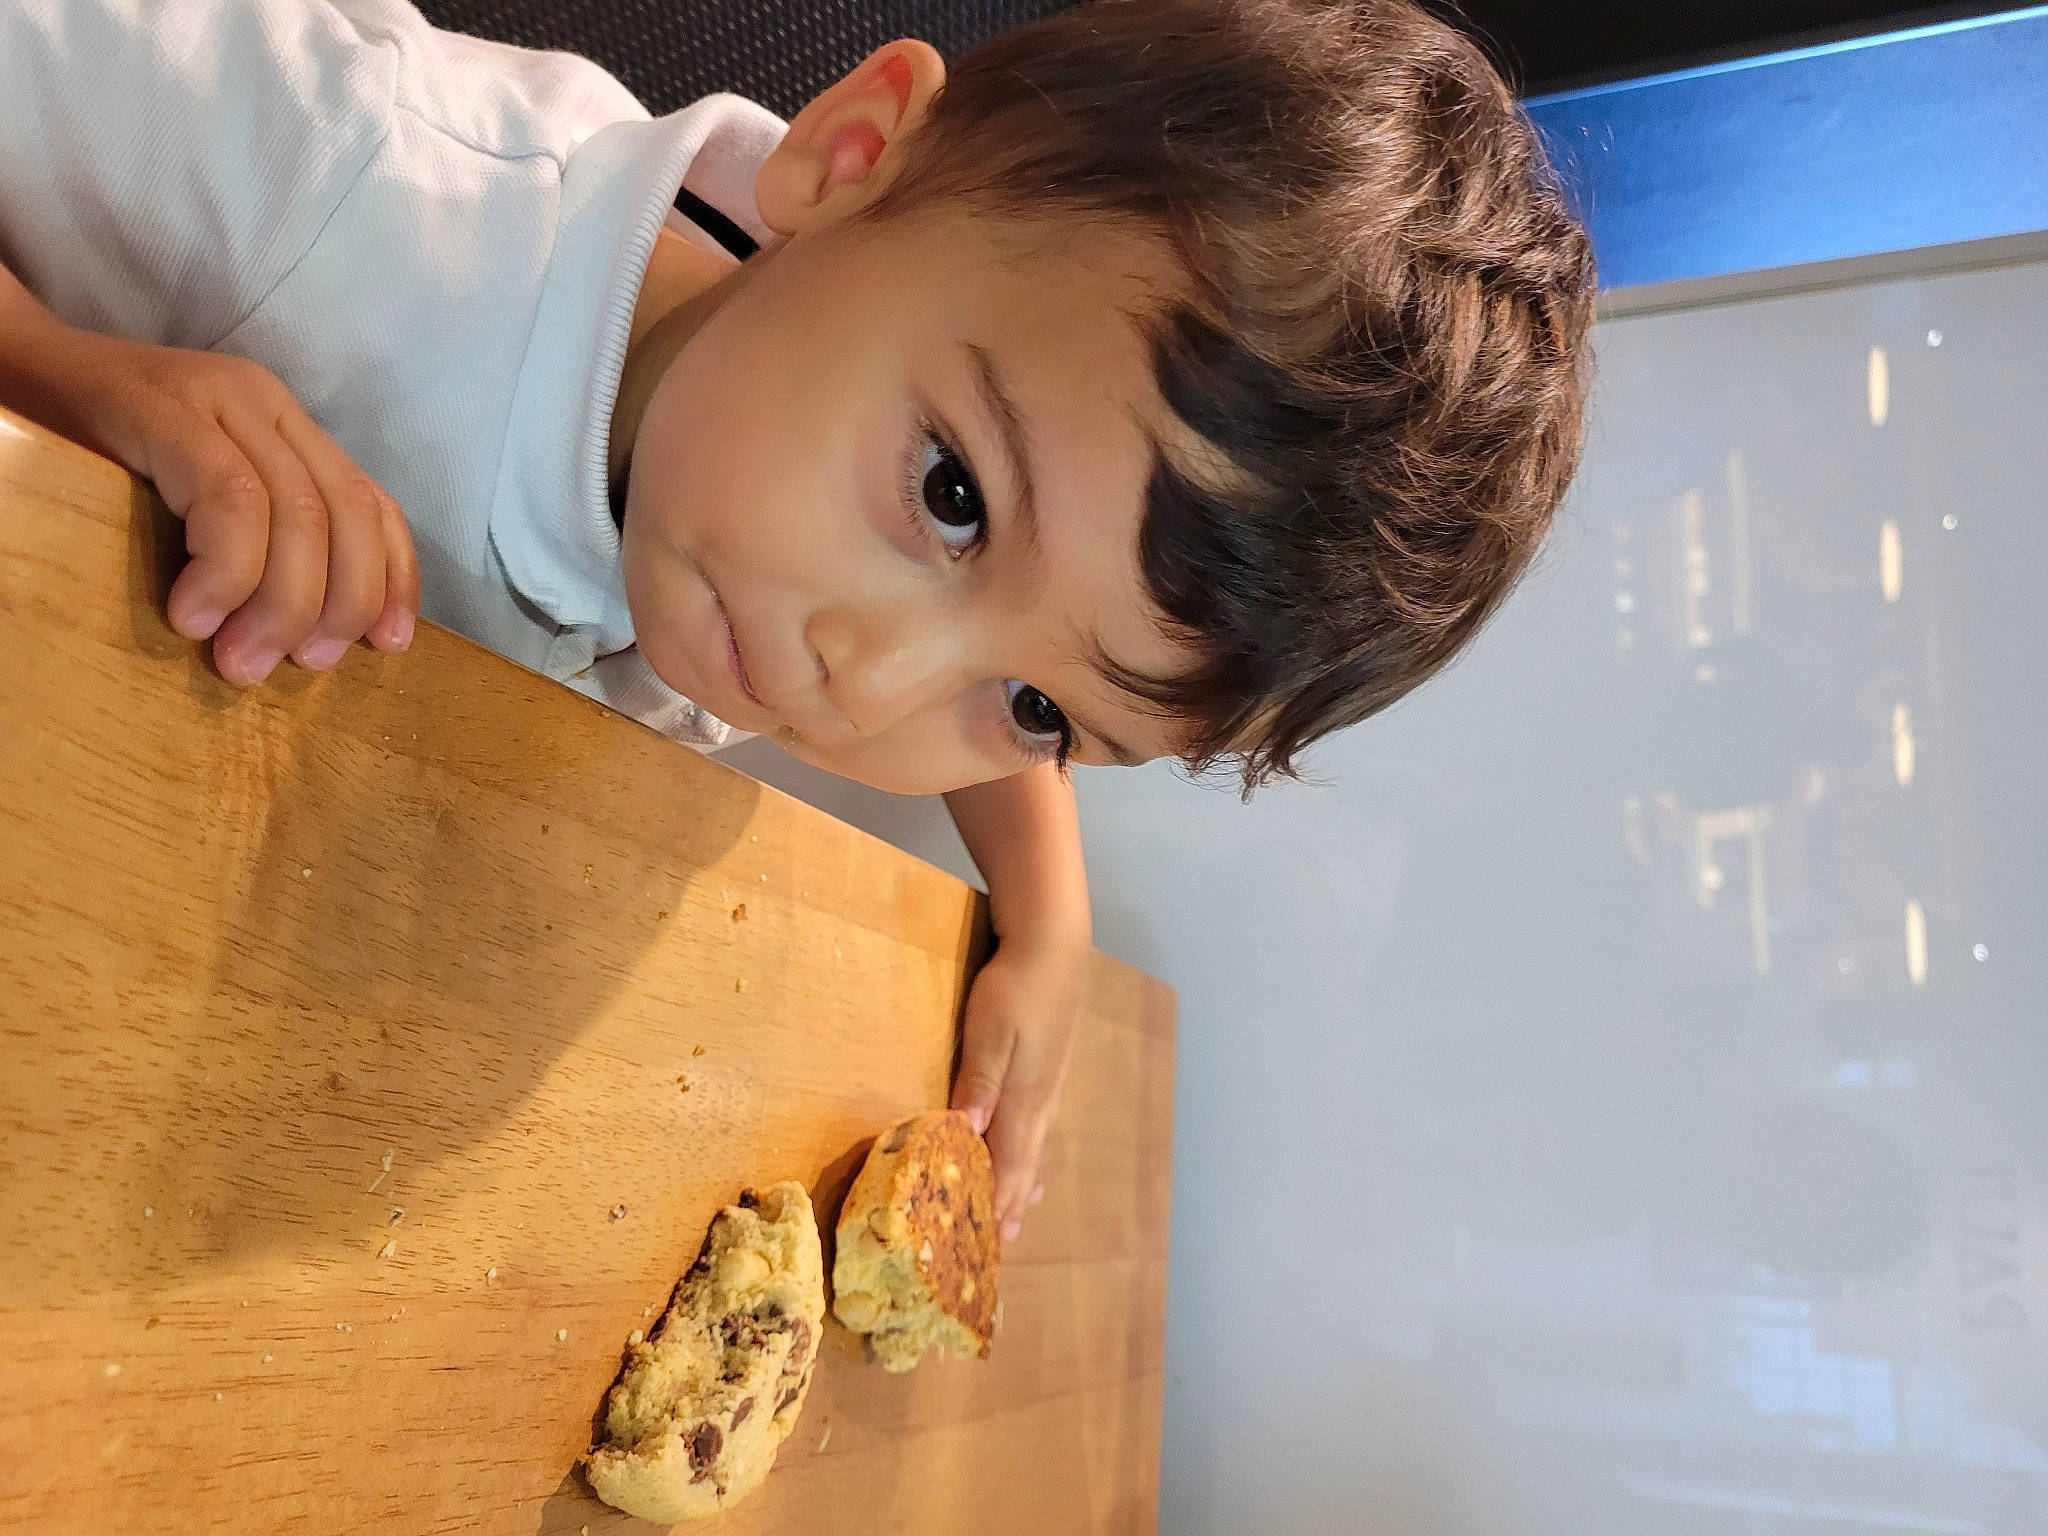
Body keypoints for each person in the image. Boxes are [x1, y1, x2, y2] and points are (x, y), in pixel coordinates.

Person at [0, 0, 1595, 1243]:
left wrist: (1048, 922)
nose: (868, 685)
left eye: (1040, 711)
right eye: (954, 498)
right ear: (851, 155)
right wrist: (78, 379)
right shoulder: (341, 178)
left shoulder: (806, 438)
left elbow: (1041, 625)